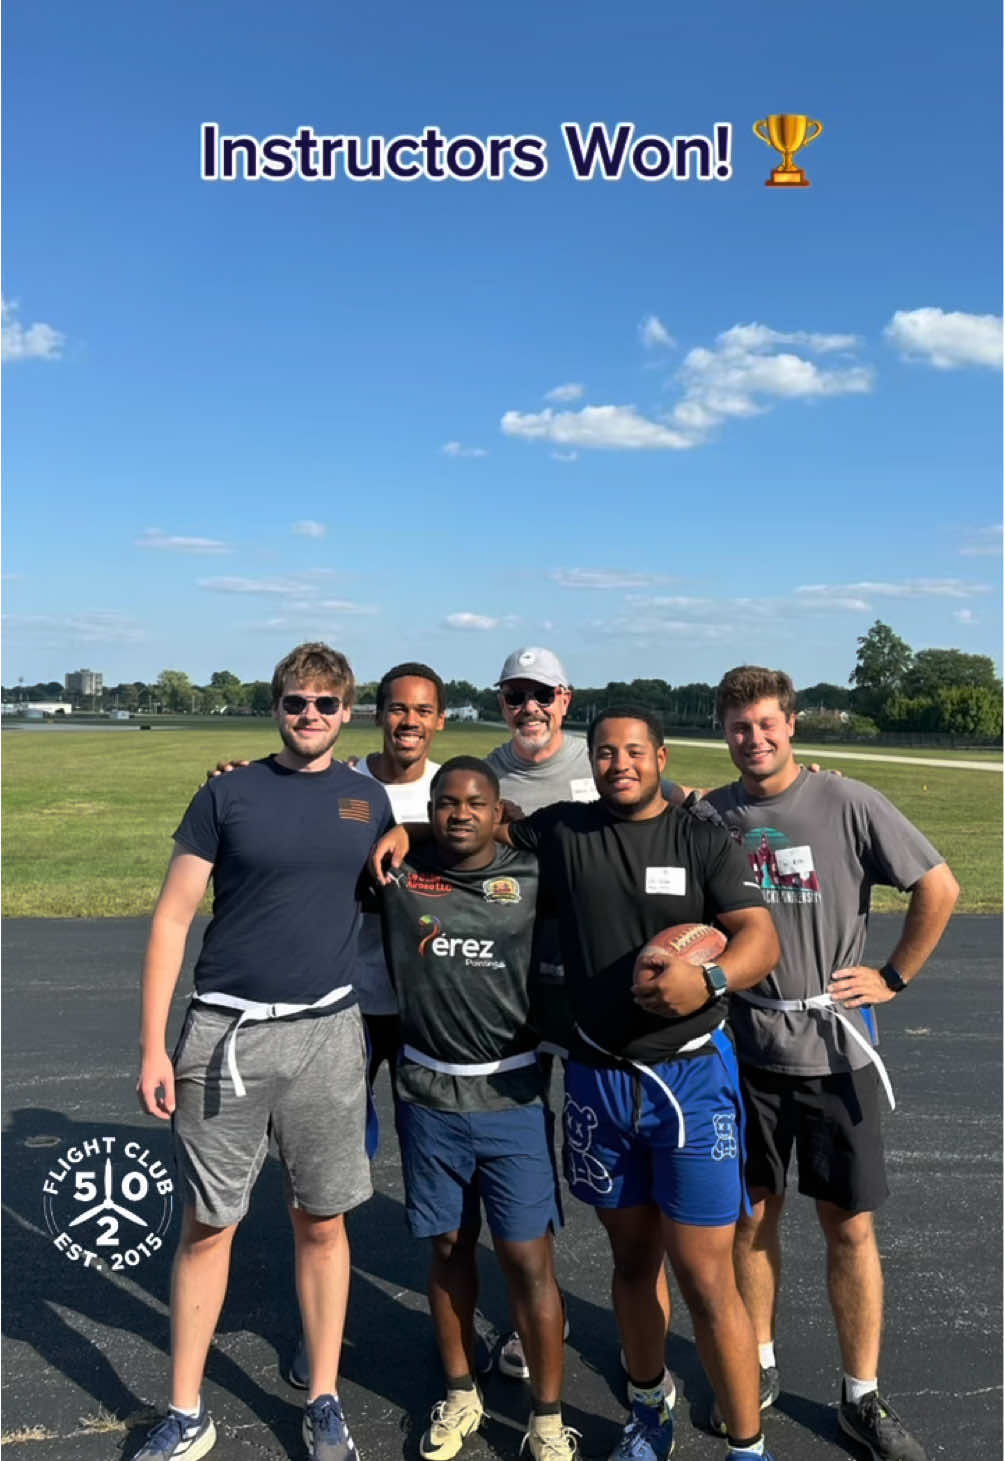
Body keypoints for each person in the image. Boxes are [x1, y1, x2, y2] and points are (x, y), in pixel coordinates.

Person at [374, 707, 782, 1461]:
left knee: (704, 1274)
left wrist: (713, 977)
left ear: (659, 756)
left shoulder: (697, 835)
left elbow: (759, 932)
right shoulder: (562, 829)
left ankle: (747, 1446)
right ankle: (647, 1408)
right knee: (632, 1262)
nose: (618, 762)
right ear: (588, 759)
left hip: (688, 1078)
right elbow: (475, 827)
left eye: (633, 750)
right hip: (598, 1077)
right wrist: (410, 832)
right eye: (604, 751)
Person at [134, 643, 393, 1461]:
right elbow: (173, 918)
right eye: (293, 703)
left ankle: (321, 1396)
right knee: (210, 1224)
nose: (308, 716)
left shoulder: (366, 797)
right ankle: (185, 1410)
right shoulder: (227, 791)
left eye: (323, 704)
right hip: (224, 1033)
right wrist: (153, 1046)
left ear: (346, 711)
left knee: (321, 1220)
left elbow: (402, 859)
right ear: (275, 707)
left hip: (326, 1033)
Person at [704, 666, 959, 1461]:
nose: (755, 738)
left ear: (791, 725)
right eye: (740, 726)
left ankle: (860, 1394)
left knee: (847, 1225)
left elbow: (938, 885)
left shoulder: (845, 802)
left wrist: (892, 975)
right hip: (744, 1049)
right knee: (750, 1217)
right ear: (725, 731)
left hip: (834, 1050)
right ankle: (759, 1361)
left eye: (767, 723)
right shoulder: (711, 813)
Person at [485, 648, 685, 1383]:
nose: (528, 706)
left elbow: (680, 807)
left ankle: (655, 1322)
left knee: (621, 1175)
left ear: (564, 699)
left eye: (541, 694)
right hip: (515, 987)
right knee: (523, 1156)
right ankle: (532, 1315)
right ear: (501, 699)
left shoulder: (603, 759)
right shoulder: (485, 768)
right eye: (515, 694)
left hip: (599, 988)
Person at [377, 755, 578, 1460]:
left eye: (474, 802)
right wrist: (398, 828)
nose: (458, 813)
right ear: (429, 809)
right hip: (428, 1096)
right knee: (448, 1248)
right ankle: (461, 1391)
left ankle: (548, 1420)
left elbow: (608, 843)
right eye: (444, 803)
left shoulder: (531, 875)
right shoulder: (398, 871)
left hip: (511, 1095)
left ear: (499, 812)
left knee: (527, 1259)